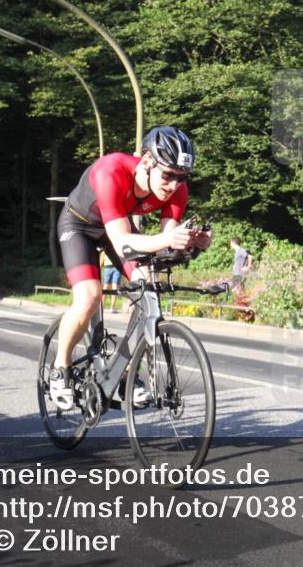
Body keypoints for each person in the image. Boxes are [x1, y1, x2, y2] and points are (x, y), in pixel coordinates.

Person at [50, 126, 212, 410]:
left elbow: (166, 242)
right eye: (168, 175)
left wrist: (192, 244)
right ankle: (60, 369)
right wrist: (166, 240)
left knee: (146, 285)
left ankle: (126, 374)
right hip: (79, 227)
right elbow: (123, 241)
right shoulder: (110, 170)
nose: (174, 184)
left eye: (181, 177)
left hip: (118, 227)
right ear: (147, 161)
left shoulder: (177, 191)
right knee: (89, 297)